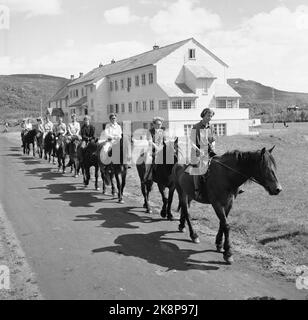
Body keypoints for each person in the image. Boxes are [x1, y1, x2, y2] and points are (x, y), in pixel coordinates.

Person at [186, 108, 216, 200]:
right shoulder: (196, 126)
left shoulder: (211, 127)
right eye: (208, 116)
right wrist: (199, 150)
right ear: (203, 115)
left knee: (219, 164)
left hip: (209, 152)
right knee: (198, 167)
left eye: (211, 116)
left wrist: (213, 146)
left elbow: (213, 140)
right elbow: (191, 142)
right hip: (197, 153)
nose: (210, 118)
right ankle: (197, 190)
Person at [144, 117, 166, 182]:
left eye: (160, 124)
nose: (159, 125)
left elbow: (165, 140)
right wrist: (157, 147)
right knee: (148, 160)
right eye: (158, 124)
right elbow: (150, 141)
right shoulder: (150, 131)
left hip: (162, 149)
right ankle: (148, 175)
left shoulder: (163, 131)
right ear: (154, 124)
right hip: (152, 149)